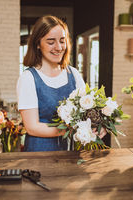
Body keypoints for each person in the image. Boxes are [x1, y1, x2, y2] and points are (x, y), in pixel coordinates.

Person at [16, 15, 85, 152]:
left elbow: (87, 112)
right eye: (51, 41)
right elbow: (32, 127)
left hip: (70, 153)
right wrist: (70, 128)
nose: (58, 47)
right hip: (39, 154)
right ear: (38, 44)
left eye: (62, 41)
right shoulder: (28, 78)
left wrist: (96, 125)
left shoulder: (74, 74)